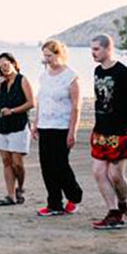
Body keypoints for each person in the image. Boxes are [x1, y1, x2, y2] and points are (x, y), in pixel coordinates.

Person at [89, 34, 127, 230]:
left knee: (115, 174)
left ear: (108, 49)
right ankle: (113, 211)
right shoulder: (97, 71)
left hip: (121, 131)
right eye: (92, 49)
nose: (93, 53)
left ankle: (122, 205)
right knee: (98, 172)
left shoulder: (123, 71)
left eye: (97, 49)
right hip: (101, 130)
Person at [33, 40, 83, 217]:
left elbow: (76, 106)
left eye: (50, 56)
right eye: (44, 56)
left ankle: (75, 196)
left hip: (62, 127)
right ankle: (54, 203)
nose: (46, 60)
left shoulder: (71, 76)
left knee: (60, 165)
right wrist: (35, 123)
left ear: (59, 54)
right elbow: (41, 101)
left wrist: (73, 131)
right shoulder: (44, 75)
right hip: (45, 125)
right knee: (46, 166)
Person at [0, 52, 34, 206]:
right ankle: (11, 195)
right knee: (6, 161)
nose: (4, 68)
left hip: (18, 125)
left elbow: (31, 103)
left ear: (13, 63)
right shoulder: (2, 83)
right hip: (2, 127)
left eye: (6, 64)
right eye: (0, 66)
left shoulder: (22, 80)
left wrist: (13, 111)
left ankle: (20, 188)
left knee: (17, 162)